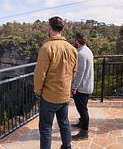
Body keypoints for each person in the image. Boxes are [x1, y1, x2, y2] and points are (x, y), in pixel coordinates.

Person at [34, 16, 78, 149]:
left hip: (49, 96)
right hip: (64, 95)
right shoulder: (72, 49)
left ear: (50, 28)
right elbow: (74, 72)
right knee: (64, 123)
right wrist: (67, 87)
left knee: (46, 128)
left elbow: (39, 74)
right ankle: (67, 146)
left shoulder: (46, 48)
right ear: (62, 29)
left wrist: (38, 91)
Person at [71, 32, 94, 140]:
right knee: (83, 108)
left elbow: (80, 73)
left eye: (75, 40)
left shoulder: (81, 54)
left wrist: (74, 87)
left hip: (82, 88)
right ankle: (81, 123)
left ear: (77, 40)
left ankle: (84, 132)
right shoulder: (87, 50)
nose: (74, 42)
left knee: (83, 110)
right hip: (87, 85)